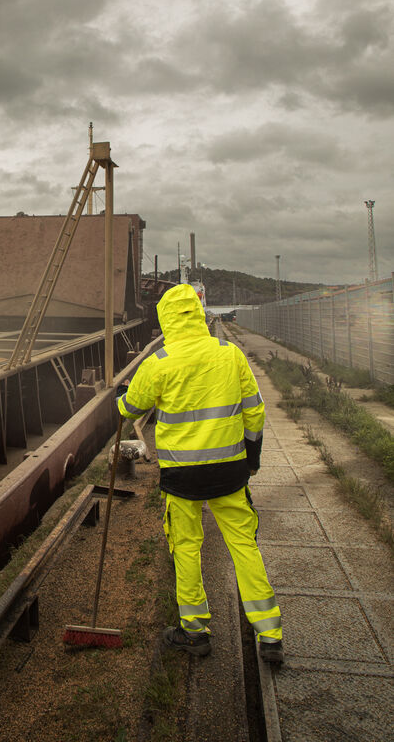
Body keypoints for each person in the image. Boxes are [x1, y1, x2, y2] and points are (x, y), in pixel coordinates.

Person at [117, 283, 283, 663]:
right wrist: (251, 458)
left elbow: (132, 406)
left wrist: (120, 401)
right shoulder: (230, 355)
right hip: (230, 471)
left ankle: (195, 632)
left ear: (165, 320)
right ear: (198, 313)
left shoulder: (158, 362)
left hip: (182, 476)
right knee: (244, 545)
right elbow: (255, 412)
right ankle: (270, 635)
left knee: (186, 548)